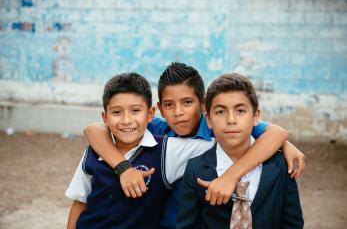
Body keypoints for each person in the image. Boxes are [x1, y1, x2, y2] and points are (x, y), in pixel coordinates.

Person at [84, 62, 305, 228]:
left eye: (187, 103)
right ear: (159, 109)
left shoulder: (219, 126)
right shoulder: (158, 130)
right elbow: (94, 130)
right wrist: (123, 168)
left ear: (203, 104)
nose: (178, 113)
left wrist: (283, 145)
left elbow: (275, 132)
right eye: (169, 105)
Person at [66, 72, 224, 228]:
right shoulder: (95, 151)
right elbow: (80, 202)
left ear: (150, 114)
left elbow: (230, 145)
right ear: (105, 117)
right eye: (116, 112)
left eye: (135, 111)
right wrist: (124, 168)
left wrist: (231, 175)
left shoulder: (166, 149)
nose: (126, 120)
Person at [177, 73, 304, 229]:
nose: (231, 120)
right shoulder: (195, 168)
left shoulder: (280, 165)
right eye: (220, 112)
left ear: (256, 116)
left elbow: (293, 223)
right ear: (208, 120)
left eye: (240, 111)